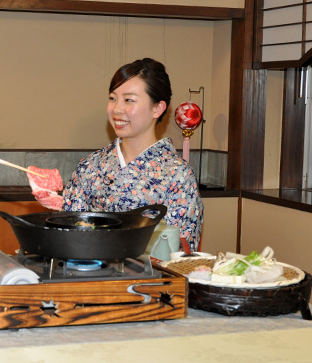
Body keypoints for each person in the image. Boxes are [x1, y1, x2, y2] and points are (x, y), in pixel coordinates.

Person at [35, 58, 203, 251]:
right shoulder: (90, 166)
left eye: (129, 100)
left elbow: (180, 254)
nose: (116, 109)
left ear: (157, 108)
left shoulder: (177, 175)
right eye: (113, 98)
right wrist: (57, 207)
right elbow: (70, 239)